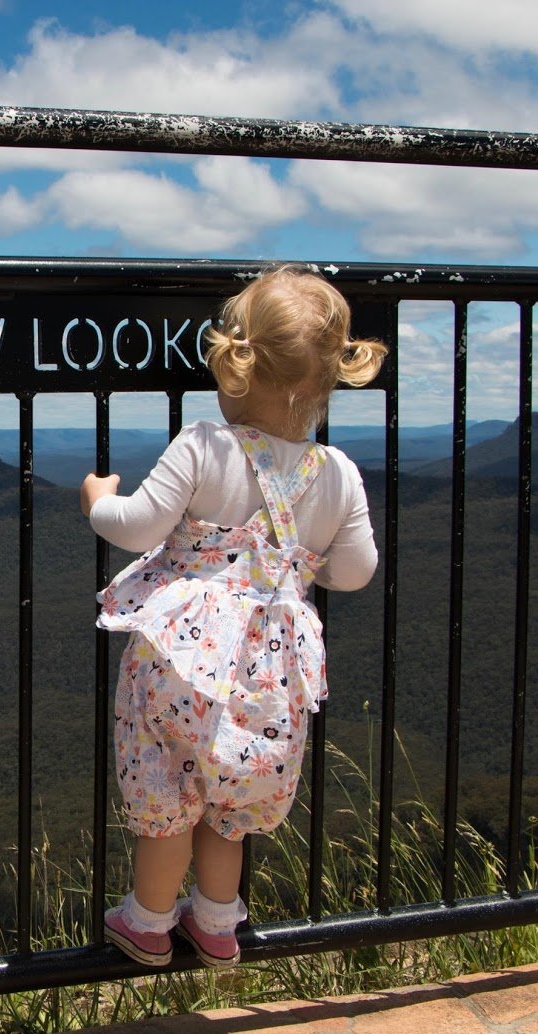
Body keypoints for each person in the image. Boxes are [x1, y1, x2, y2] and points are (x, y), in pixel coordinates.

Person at [80, 266, 386, 968]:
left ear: (234, 365)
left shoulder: (205, 446)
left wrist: (98, 496)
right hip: (269, 673)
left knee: (168, 789)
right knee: (232, 793)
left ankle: (149, 921)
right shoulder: (337, 473)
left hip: (181, 666)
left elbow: (135, 526)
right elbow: (353, 572)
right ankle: (217, 923)